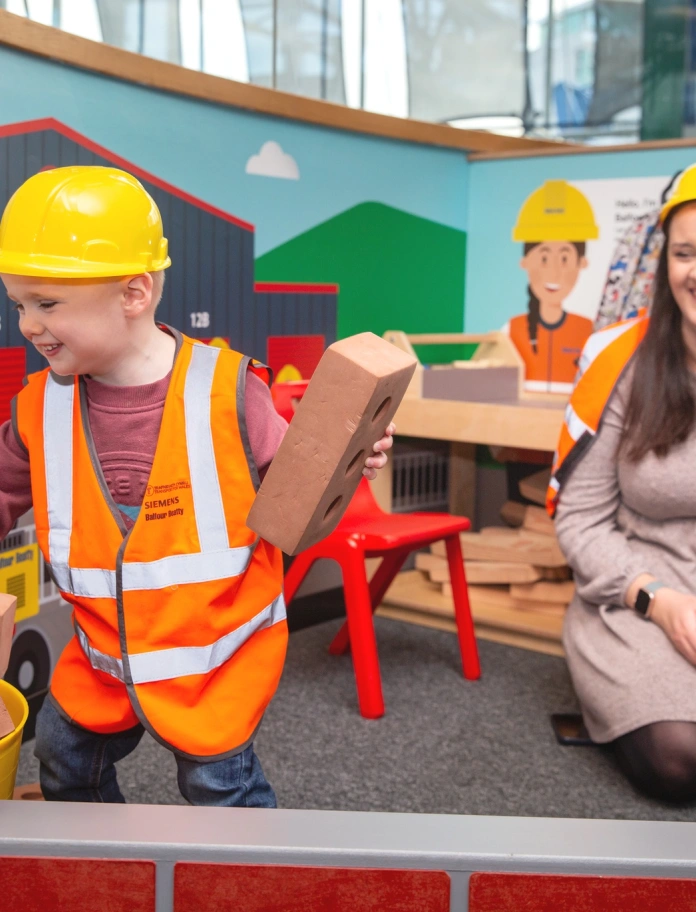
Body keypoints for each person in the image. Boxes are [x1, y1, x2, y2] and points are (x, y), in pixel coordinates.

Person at [0, 165, 394, 806]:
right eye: (19, 304)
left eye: (46, 304)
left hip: (215, 665)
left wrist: (352, 458)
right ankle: (99, 874)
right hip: (101, 656)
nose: (26, 325)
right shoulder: (38, 406)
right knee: (65, 760)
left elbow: (298, 493)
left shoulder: (229, 391)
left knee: (221, 793)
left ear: (134, 294)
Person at [548, 163, 696, 803]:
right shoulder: (620, 363)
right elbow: (579, 519)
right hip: (636, 592)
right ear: (665, 263)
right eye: (687, 252)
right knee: (679, 761)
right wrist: (658, 599)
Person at [508, 180, 598, 394]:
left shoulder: (591, 332)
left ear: (582, 262)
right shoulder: (510, 331)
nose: (554, 272)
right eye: (544, 258)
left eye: (565, 258)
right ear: (525, 262)